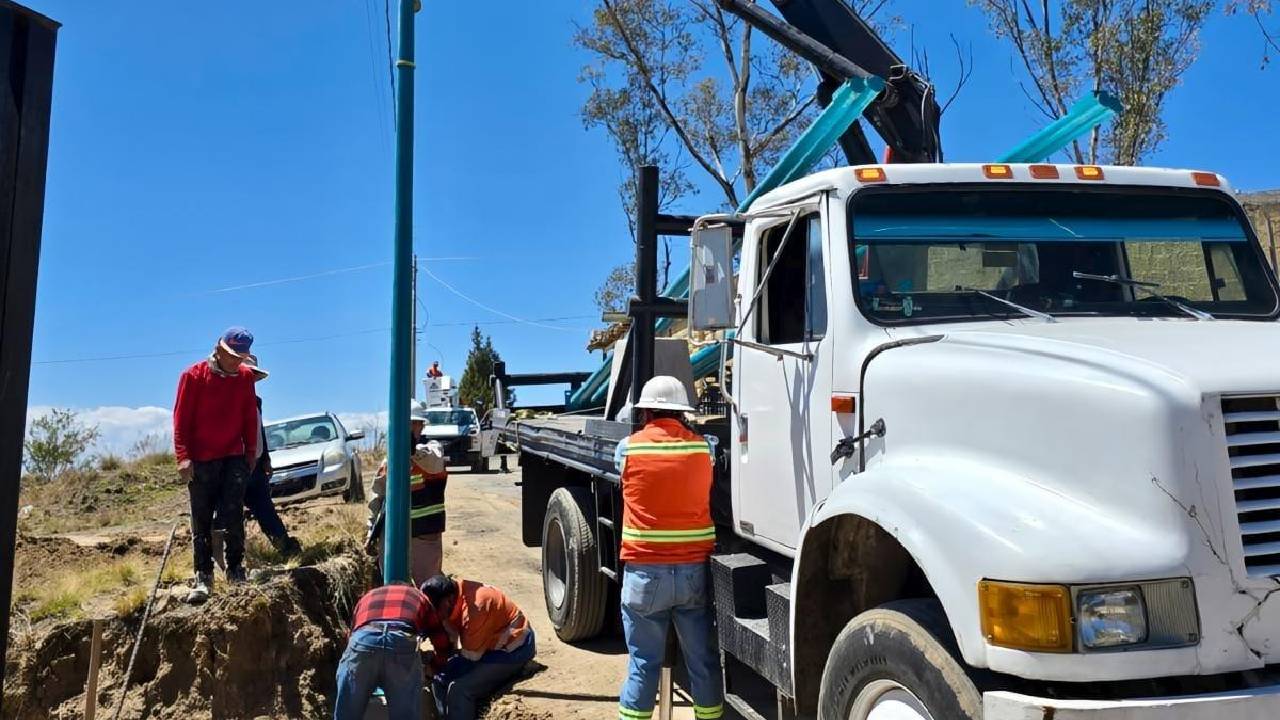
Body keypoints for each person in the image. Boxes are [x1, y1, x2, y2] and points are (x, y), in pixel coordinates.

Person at [613, 376, 724, 720]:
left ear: (645, 410)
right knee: (702, 663)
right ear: (682, 412)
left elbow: (623, 475)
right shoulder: (703, 448)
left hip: (644, 575)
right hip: (693, 572)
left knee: (643, 663)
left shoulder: (628, 448)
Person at [173, 327, 260, 603]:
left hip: (234, 455)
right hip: (201, 460)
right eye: (233, 355)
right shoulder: (194, 376)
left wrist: (251, 451)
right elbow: (181, 419)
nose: (237, 362)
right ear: (219, 349)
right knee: (201, 518)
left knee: (233, 512)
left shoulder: (245, 377)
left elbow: (248, 414)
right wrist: (183, 456)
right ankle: (203, 576)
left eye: (241, 357)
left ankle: (236, 571)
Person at [420, 575, 535, 720]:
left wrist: (437, 666)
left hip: (513, 650)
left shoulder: (476, 607)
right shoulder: (455, 597)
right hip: (486, 647)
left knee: (460, 690)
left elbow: (471, 657)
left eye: (435, 610)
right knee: (439, 679)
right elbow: (451, 640)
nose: (433, 615)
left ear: (448, 601)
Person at [333, 581, 454, 720]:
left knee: (347, 713)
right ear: (407, 587)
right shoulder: (419, 596)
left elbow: (351, 636)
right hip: (400, 641)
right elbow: (440, 639)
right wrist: (435, 666)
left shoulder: (367, 596)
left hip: (364, 640)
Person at [366, 402, 448, 583]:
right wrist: (371, 530)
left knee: (428, 588)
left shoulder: (432, 450)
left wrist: (411, 452)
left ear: (420, 426)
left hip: (425, 534)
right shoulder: (389, 461)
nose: (409, 428)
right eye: (405, 424)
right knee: (393, 587)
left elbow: (434, 463)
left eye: (412, 424)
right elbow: (377, 498)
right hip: (393, 535)